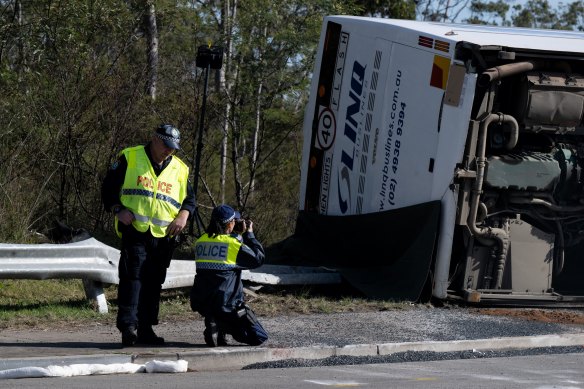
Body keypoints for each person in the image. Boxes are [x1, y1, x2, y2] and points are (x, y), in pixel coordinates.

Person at [101, 124, 195, 347]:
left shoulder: (180, 169)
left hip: (163, 236)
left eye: (172, 148)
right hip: (136, 230)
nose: (168, 151)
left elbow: (189, 201)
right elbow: (108, 188)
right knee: (133, 278)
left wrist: (183, 217)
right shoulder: (130, 157)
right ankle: (129, 327)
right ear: (154, 139)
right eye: (165, 145)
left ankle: (146, 329)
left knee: (154, 282)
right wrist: (117, 209)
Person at [190, 204, 268, 347]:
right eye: (235, 221)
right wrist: (249, 234)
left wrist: (235, 235)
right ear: (230, 224)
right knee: (260, 336)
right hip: (226, 303)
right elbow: (258, 259)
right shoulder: (233, 244)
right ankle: (221, 324)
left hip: (202, 301)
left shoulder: (200, 241)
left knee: (219, 283)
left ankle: (215, 323)